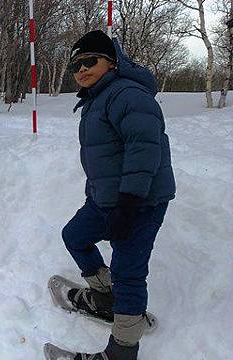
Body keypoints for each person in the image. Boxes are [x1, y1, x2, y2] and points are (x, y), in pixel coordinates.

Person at [61, 30, 176, 360]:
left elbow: (144, 151)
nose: (81, 69)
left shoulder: (127, 95)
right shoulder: (98, 98)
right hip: (107, 199)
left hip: (140, 202)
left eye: (89, 61)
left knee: (128, 273)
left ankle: (123, 351)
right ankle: (106, 299)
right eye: (75, 65)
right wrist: (94, 193)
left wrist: (128, 204)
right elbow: (105, 156)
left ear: (112, 63)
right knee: (75, 236)